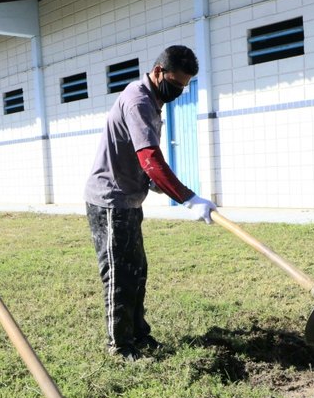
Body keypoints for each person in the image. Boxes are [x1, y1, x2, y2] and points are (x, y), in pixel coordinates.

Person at [84, 45, 216, 362]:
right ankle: (119, 346)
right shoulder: (138, 100)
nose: (179, 91)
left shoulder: (153, 100)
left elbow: (142, 161)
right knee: (119, 273)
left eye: (184, 86)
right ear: (158, 71)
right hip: (110, 201)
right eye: (176, 83)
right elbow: (150, 159)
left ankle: (139, 335)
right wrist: (188, 197)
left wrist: (155, 182)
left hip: (128, 199)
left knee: (137, 270)